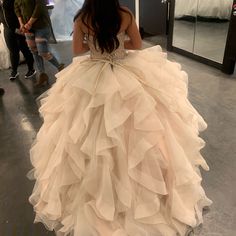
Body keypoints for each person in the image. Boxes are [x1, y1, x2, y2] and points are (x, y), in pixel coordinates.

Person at [28, 0, 212, 235]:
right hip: (126, 71)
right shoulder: (124, 14)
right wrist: (116, 43)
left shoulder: (82, 17)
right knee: (140, 130)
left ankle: (100, 195)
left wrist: (96, 45)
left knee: (88, 132)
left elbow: (77, 51)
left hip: (92, 73)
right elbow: (136, 44)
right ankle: (144, 194)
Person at [14, 0, 64, 86]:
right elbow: (17, 8)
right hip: (27, 28)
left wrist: (29, 23)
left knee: (43, 52)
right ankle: (42, 75)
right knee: (34, 51)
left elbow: (40, 6)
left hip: (41, 25)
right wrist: (21, 23)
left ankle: (60, 67)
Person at [0, 0, 35, 81]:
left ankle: (31, 69)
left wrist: (22, 24)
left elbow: (19, 10)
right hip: (7, 29)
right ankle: (14, 71)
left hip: (17, 27)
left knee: (24, 48)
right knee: (12, 50)